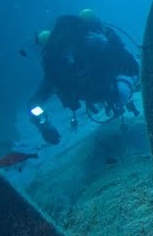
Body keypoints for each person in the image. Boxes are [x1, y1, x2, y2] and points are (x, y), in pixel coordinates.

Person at [28, 8, 140, 144]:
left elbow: (133, 67)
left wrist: (108, 46)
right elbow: (34, 104)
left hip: (110, 85)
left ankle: (119, 98)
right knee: (119, 92)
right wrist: (44, 124)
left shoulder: (97, 48)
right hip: (93, 92)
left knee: (122, 91)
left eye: (74, 41)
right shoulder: (57, 69)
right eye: (63, 45)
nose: (70, 56)